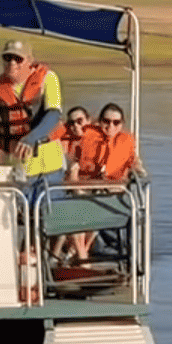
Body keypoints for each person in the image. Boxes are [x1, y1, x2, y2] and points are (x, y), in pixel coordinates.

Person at [0, 40, 65, 183]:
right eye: (7, 58)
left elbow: (53, 115)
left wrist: (30, 139)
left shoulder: (48, 79)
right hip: (16, 173)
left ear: (29, 60)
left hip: (50, 170)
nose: (12, 63)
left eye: (18, 59)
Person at [67, 103, 143, 262]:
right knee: (76, 206)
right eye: (106, 121)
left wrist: (139, 170)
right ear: (99, 121)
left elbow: (133, 162)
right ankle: (81, 257)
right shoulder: (87, 136)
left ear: (122, 124)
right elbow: (73, 163)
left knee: (93, 207)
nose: (110, 126)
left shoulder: (127, 141)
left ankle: (81, 255)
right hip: (85, 190)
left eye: (116, 123)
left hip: (112, 193)